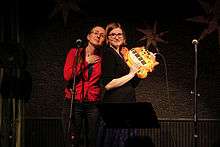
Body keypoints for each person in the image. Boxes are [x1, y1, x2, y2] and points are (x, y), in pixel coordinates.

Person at [63, 25, 106, 147]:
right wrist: (86, 62)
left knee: (93, 139)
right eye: (96, 33)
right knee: (73, 139)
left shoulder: (103, 58)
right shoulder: (75, 52)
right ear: (88, 36)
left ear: (104, 41)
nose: (98, 36)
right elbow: (67, 75)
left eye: (102, 35)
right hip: (74, 101)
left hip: (93, 103)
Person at [101, 22, 141, 103]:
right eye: (112, 34)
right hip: (115, 100)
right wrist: (131, 74)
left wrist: (143, 69)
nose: (116, 37)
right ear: (107, 38)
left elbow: (133, 83)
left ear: (123, 37)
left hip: (128, 99)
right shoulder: (108, 53)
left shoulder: (123, 56)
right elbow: (108, 85)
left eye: (119, 34)